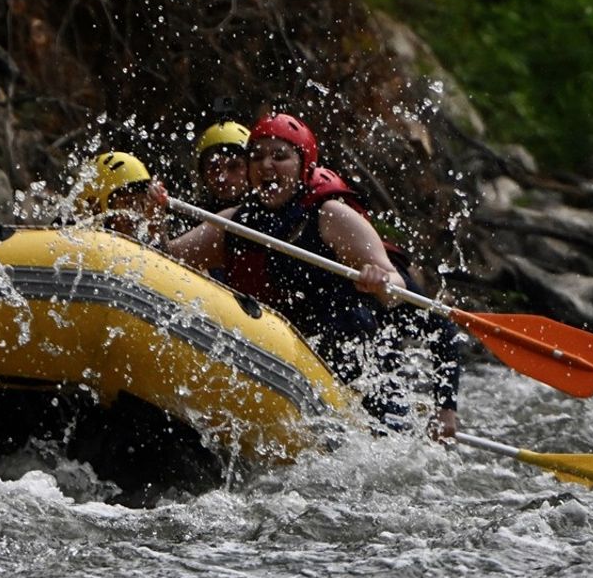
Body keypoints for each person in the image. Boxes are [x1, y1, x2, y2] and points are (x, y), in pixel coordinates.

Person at [167, 112, 460, 436]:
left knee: (384, 410)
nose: (266, 165)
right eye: (258, 156)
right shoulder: (236, 223)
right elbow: (167, 257)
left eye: (280, 156)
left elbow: (421, 309)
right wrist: (150, 216)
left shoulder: (332, 217)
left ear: (304, 165)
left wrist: (381, 280)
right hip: (287, 358)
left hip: (355, 354)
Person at [73, 151, 169, 248]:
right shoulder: (76, 240)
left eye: (141, 203)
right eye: (128, 203)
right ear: (96, 206)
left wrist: (156, 227)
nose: (138, 211)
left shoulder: (140, 245)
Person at [194, 121, 251, 212]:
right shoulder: (192, 214)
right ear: (203, 174)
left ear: (250, 170)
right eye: (214, 168)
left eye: (233, 167)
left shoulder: (264, 213)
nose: (223, 177)